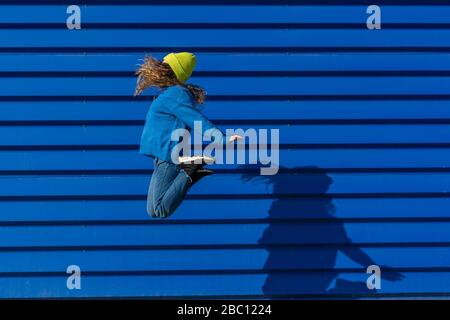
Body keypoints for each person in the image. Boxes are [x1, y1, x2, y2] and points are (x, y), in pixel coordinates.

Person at [134, 52, 241, 218]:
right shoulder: (171, 93)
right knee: (153, 210)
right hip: (162, 155)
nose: (160, 65)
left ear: (173, 71)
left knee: (160, 209)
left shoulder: (176, 94)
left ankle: (189, 171)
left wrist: (220, 138)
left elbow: (196, 119)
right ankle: (191, 173)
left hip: (168, 153)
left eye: (165, 64)